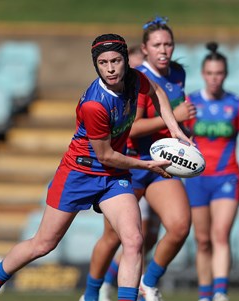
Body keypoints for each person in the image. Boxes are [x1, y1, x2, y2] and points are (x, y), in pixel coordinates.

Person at [0, 33, 190, 301]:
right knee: (43, 244)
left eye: (116, 61)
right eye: (103, 62)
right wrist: (147, 165)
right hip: (79, 173)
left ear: (125, 61)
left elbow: (156, 92)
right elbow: (107, 155)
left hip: (113, 178)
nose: (110, 68)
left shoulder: (134, 80)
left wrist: (174, 129)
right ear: (95, 65)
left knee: (133, 240)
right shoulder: (95, 104)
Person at [81, 16, 196, 301]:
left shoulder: (178, 73)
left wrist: (181, 132)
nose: (164, 50)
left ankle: (149, 282)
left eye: (168, 44)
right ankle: (91, 294)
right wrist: (173, 120)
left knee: (180, 225)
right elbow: (133, 126)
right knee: (113, 237)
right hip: (129, 163)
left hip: (160, 164)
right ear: (144, 49)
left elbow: (174, 116)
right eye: (157, 44)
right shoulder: (136, 78)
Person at [184, 42, 239, 301]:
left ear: (225, 74)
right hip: (197, 180)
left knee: (220, 234)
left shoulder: (237, 105)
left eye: (218, 73)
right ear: (203, 74)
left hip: (226, 177)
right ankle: (204, 294)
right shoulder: (190, 104)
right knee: (203, 239)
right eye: (209, 73)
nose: (214, 78)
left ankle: (220, 292)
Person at [96, 37, 163, 301]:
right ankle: (97, 287)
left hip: (149, 164)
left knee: (147, 238)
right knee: (125, 236)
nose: (115, 70)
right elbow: (131, 130)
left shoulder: (145, 85)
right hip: (128, 167)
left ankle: (119, 279)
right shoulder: (111, 96)